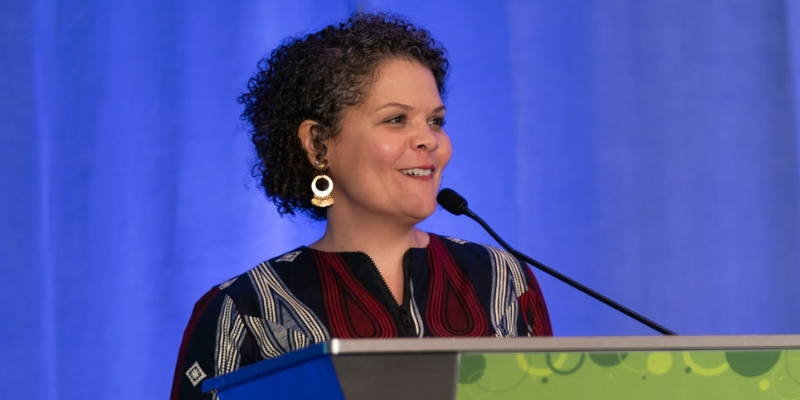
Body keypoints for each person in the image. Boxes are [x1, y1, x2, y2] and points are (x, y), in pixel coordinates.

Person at [170, 12, 552, 400]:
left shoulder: (504, 281)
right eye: (397, 119)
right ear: (319, 144)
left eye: (435, 121)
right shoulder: (244, 309)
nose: (428, 140)